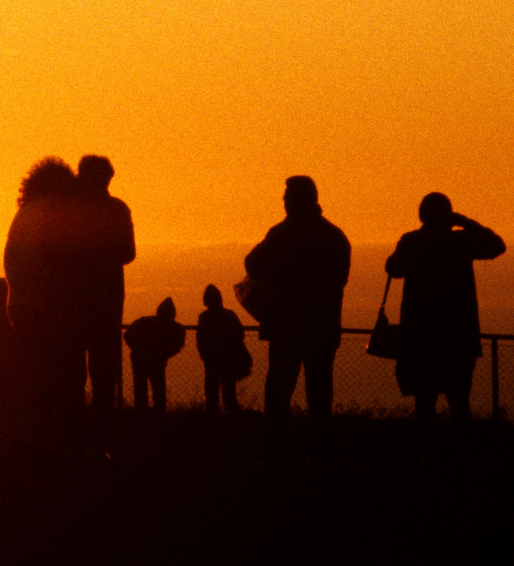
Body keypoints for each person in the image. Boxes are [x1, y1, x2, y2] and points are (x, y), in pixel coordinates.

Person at [4, 154, 135, 457]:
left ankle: (67, 437)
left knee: (70, 374)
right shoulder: (116, 209)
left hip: (68, 305)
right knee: (102, 375)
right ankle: (98, 439)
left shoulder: (61, 211)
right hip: (104, 303)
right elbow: (127, 253)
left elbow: (46, 258)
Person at [385, 193, 505, 459]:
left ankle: (426, 457)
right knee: (459, 401)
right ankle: (462, 457)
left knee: (424, 402)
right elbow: (497, 246)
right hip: (458, 337)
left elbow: (392, 268)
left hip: (421, 337)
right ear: (448, 216)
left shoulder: (413, 242)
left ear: (422, 215)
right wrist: (466, 222)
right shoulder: (461, 242)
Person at [242, 176, 351, 460]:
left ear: (297, 200)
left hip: (285, 325)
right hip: (322, 326)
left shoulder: (281, 234)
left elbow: (252, 263)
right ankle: (318, 447)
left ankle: (275, 446)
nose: (284, 201)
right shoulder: (334, 237)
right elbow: (340, 279)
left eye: (287, 196)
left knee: (278, 387)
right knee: (319, 389)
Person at [124, 297, 185, 415]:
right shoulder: (175, 328)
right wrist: (163, 353)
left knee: (142, 386)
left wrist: (136, 348)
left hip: (140, 359)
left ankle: (142, 411)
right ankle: (157, 411)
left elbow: (127, 334)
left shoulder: (144, 322)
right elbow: (178, 345)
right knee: (157, 386)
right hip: (153, 360)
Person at [195, 284, 250, 414]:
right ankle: (231, 418)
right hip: (228, 358)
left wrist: (205, 355)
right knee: (229, 390)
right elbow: (239, 335)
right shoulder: (230, 315)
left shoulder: (204, 317)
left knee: (211, 391)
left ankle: (213, 418)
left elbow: (201, 339)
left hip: (212, 359)